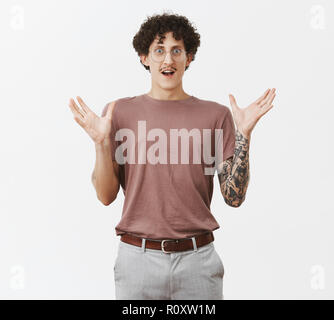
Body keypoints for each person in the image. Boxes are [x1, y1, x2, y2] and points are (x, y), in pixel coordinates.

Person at [68, 12, 276, 300]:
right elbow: (106, 196)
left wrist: (243, 136)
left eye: (177, 50)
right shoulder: (119, 113)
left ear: (188, 58)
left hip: (198, 262)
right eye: (159, 50)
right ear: (144, 57)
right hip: (137, 261)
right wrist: (101, 143)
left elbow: (234, 197)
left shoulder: (215, 115)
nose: (168, 60)